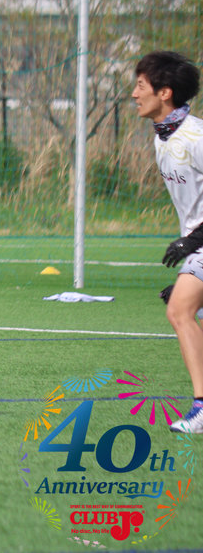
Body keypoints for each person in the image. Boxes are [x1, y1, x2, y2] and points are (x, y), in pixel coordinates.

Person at [133, 50, 203, 433]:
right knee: (185, 309)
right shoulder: (163, 138)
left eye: (140, 86)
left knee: (179, 312)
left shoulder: (196, 137)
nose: (133, 94)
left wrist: (192, 243)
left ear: (165, 93)